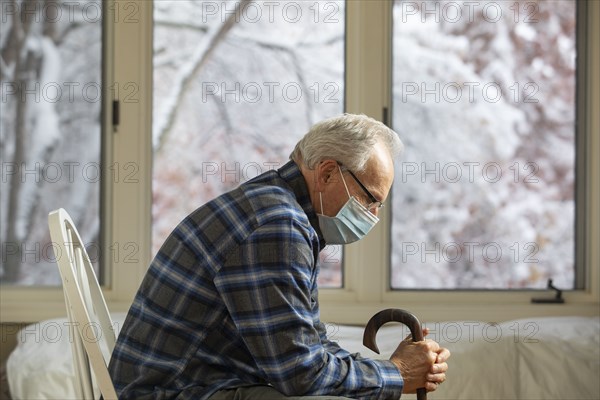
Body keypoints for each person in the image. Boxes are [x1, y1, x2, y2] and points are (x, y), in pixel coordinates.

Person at [108, 114, 450, 399]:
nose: (372, 215)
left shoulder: (280, 210)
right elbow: (300, 373)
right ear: (328, 173)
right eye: (369, 200)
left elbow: (309, 347)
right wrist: (396, 374)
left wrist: (393, 372)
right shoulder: (277, 225)